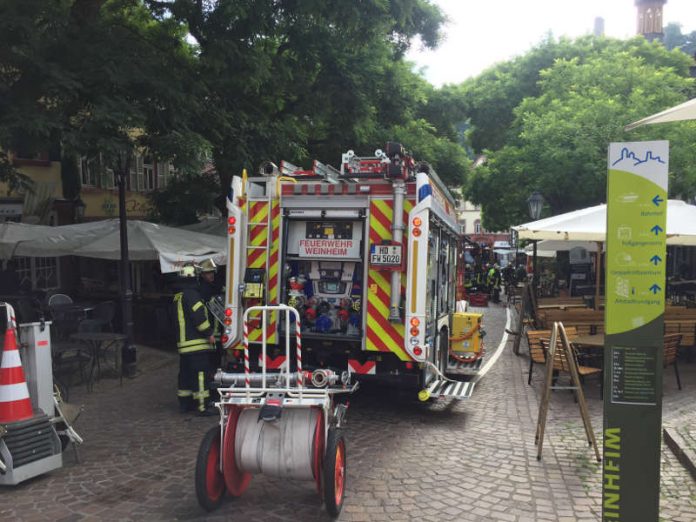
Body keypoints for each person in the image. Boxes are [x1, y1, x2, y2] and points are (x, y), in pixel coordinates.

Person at [172, 263, 216, 415]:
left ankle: (185, 404)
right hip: (196, 343)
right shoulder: (192, 294)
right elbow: (199, 317)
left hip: (184, 344)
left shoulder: (179, 295)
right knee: (200, 374)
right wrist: (209, 333)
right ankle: (202, 406)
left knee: (185, 374)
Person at [198, 258, 223, 368]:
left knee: (216, 357)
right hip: (209, 331)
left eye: (212, 272)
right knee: (211, 360)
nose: (211, 275)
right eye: (208, 273)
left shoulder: (215, 287)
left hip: (216, 330)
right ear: (202, 274)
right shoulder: (203, 290)